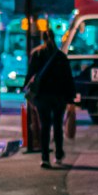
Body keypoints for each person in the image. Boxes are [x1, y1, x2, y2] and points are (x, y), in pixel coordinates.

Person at [23, 30, 77, 169]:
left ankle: (45, 157)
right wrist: (71, 97)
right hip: (59, 95)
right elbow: (68, 78)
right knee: (58, 125)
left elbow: (30, 73)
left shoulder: (37, 54)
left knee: (45, 126)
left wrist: (26, 87)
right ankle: (58, 154)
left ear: (43, 38)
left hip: (42, 95)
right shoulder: (60, 56)